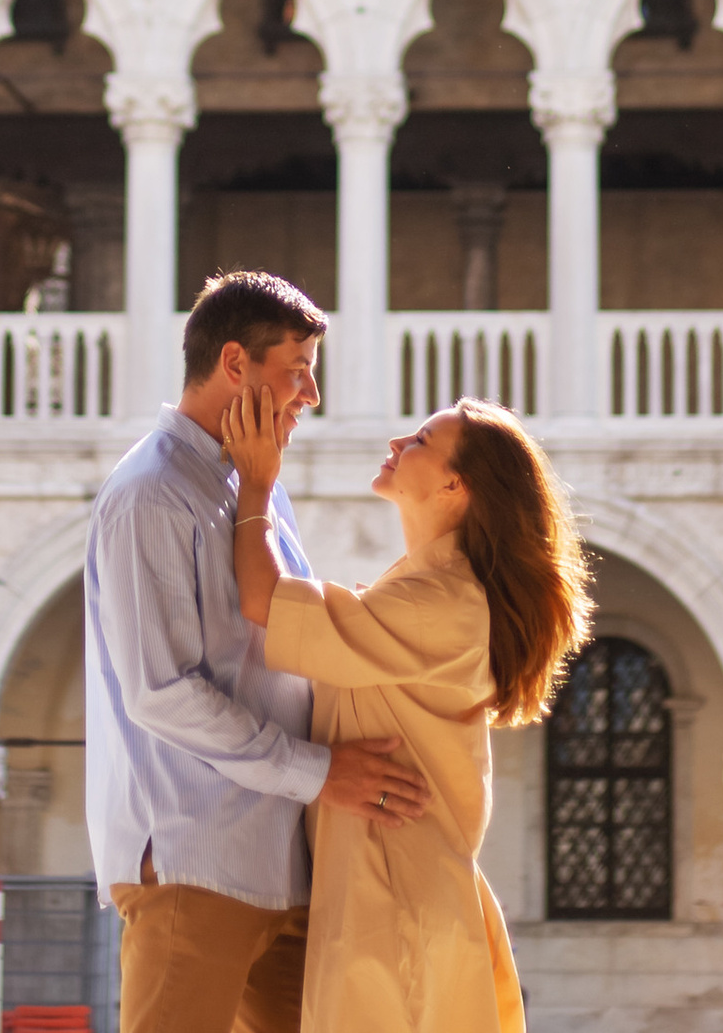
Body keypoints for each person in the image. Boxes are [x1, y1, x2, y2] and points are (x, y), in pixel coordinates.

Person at [84, 271, 432, 1033]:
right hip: (194, 857)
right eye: (298, 370)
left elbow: (286, 637)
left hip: (280, 859)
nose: (310, 394)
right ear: (235, 365)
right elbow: (160, 690)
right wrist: (321, 773)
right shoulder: (150, 493)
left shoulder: (257, 480)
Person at [219, 393, 592, 1033]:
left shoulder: (434, 601)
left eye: (420, 440)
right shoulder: (426, 590)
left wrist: (256, 484)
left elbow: (262, 598)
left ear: (456, 481)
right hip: (391, 901)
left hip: (392, 912)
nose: (397, 443)